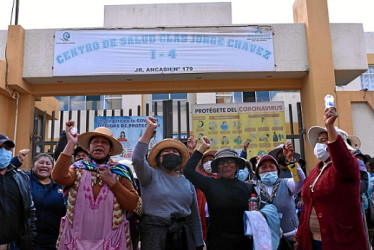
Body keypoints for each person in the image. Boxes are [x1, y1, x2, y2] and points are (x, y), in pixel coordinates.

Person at [52, 121, 139, 249]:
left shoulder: (119, 172)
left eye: (104, 143)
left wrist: (113, 183)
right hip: (76, 241)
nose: (99, 145)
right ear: (88, 148)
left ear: (110, 150)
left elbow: (132, 204)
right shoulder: (77, 169)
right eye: (95, 142)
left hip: (111, 242)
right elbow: (58, 177)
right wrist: (71, 143)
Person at [295, 107, 368, 250]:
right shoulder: (316, 170)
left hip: (341, 242)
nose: (320, 143)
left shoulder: (347, 166)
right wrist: (300, 236)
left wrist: (330, 127)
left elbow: (341, 158)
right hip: (313, 242)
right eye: (319, 140)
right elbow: (307, 206)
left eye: (325, 139)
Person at [132, 116, 204, 250]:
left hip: (183, 238)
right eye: (166, 151)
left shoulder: (187, 182)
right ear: (158, 159)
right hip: (154, 236)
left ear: (180, 158)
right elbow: (137, 159)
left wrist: (199, 242)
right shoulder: (149, 175)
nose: (171, 153)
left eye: (175, 152)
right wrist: (149, 131)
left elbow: (194, 216)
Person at [183, 136, 256, 250]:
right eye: (221, 162)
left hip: (244, 243)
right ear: (216, 167)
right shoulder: (210, 184)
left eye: (230, 161)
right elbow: (188, 171)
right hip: (217, 243)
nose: (226, 165)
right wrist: (202, 148)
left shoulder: (248, 188)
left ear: (237, 166)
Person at [254, 142, 305, 248]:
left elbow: (300, 181)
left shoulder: (286, 183)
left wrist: (291, 161)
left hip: (290, 239)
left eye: (271, 167)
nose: (268, 170)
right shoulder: (253, 188)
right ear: (258, 172)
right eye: (263, 167)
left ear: (277, 170)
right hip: (265, 241)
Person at [0, 133, 36, 250]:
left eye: (7, 148)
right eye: (0, 148)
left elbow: (29, 210)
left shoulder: (21, 177)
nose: (4, 152)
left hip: (15, 243)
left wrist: (30, 239)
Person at [28, 153, 66, 250]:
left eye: (48, 163)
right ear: (32, 167)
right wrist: (17, 160)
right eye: (40, 162)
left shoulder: (60, 185)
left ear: (53, 168)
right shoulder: (24, 180)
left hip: (53, 240)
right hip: (26, 240)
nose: (44, 165)